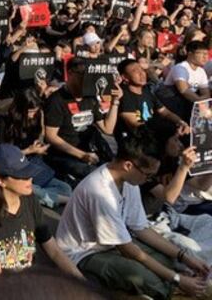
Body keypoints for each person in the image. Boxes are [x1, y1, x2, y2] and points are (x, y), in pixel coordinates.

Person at [55, 129, 210, 300]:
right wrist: (177, 279)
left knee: (168, 261)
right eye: (148, 175)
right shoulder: (100, 192)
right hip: (84, 253)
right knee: (147, 279)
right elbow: (129, 250)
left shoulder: (129, 181)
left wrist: (185, 258)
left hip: (112, 244)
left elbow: (142, 228)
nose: (148, 180)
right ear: (128, 165)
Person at [0, 145, 83, 286]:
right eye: (22, 175)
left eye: (29, 172)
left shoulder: (29, 199)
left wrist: (82, 283)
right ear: (1, 180)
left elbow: (54, 251)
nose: (29, 178)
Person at [44, 57, 120, 187]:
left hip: (90, 151)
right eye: (82, 74)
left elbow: (108, 129)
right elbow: (51, 136)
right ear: (71, 73)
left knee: (116, 172)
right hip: (65, 155)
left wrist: (115, 102)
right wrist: (81, 155)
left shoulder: (90, 98)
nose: (86, 79)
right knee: (98, 178)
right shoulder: (57, 100)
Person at [2, 88, 72, 208]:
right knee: (32, 190)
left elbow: (39, 137)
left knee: (66, 189)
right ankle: (49, 197)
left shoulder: (37, 117)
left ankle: (46, 197)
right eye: (30, 111)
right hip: (16, 167)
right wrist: (28, 151)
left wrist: (39, 145)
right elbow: (4, 156)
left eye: (35, 111)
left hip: (34, 163)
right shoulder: (5, 123)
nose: (33, 114)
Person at [116, 58, 189, 141]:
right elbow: (134, 124)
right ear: (125, 77)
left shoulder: (146, 90)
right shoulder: (124, 96)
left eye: (142, 69)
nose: (141, 73)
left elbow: (165, 112)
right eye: (135, 71)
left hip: (152, 134)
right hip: (137, 142)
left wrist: (180, 122)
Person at [163, 40, 210, 121]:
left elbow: (205, 92)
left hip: (190, 103)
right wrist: (201, 104)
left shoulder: (201, 71)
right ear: (190, 54)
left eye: (207, 54)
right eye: (202, 54)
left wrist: (203, 103)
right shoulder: (180, 68)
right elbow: (184, 90)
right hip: (173, 103)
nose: (205, 57)